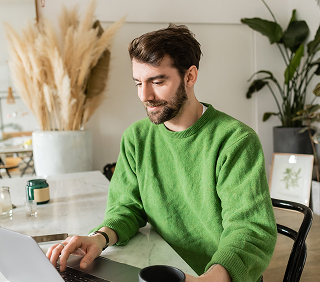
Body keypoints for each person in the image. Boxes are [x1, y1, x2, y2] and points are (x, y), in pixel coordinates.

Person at [47, 24, 277, 282]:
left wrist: (213, 278)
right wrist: (100, 237)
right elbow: (127, 207)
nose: (145, 95)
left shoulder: (235, 141)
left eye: (157, 81)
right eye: (138, 83)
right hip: (159, 267)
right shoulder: (137, 137)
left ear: (190, 77)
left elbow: (250, 230)